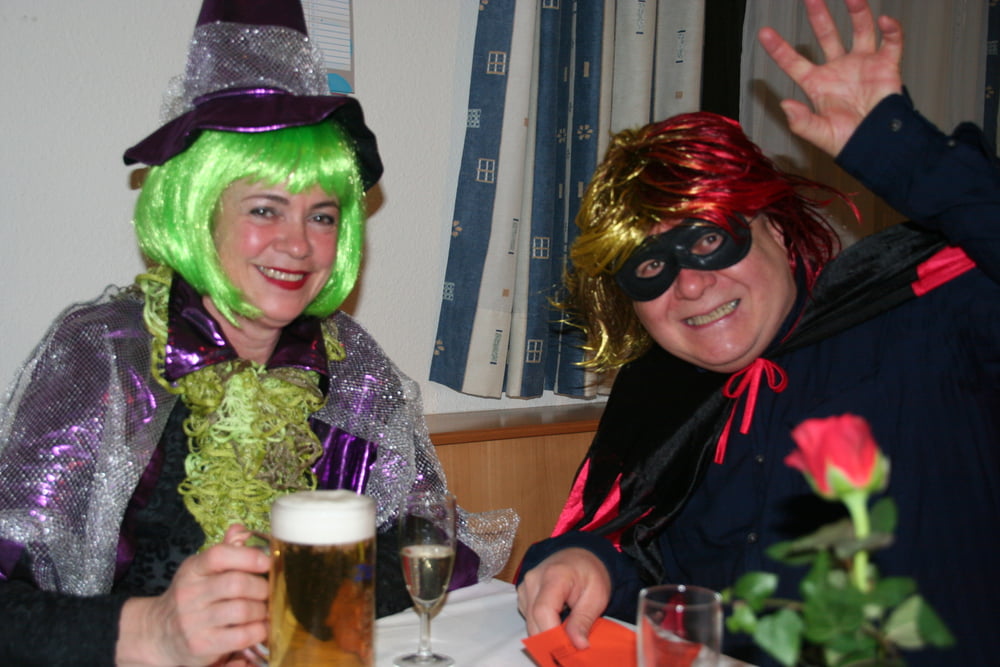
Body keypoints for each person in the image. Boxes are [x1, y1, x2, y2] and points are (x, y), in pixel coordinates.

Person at [0, 2, 515, 665]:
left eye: (322, 215)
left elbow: (429, 537)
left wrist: (286, 597)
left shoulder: (352, 365)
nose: (298, 244)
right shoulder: (103, 354)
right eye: (265, 208)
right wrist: (152, 629)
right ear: (198, 213)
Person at [515, 0, 1000, 664]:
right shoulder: (660, 400)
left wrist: (904, 151)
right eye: (651, 268)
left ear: (772, 227)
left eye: (707, 240)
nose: (689, 286)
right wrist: (585, 558)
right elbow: (653, 573)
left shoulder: (929, 320)